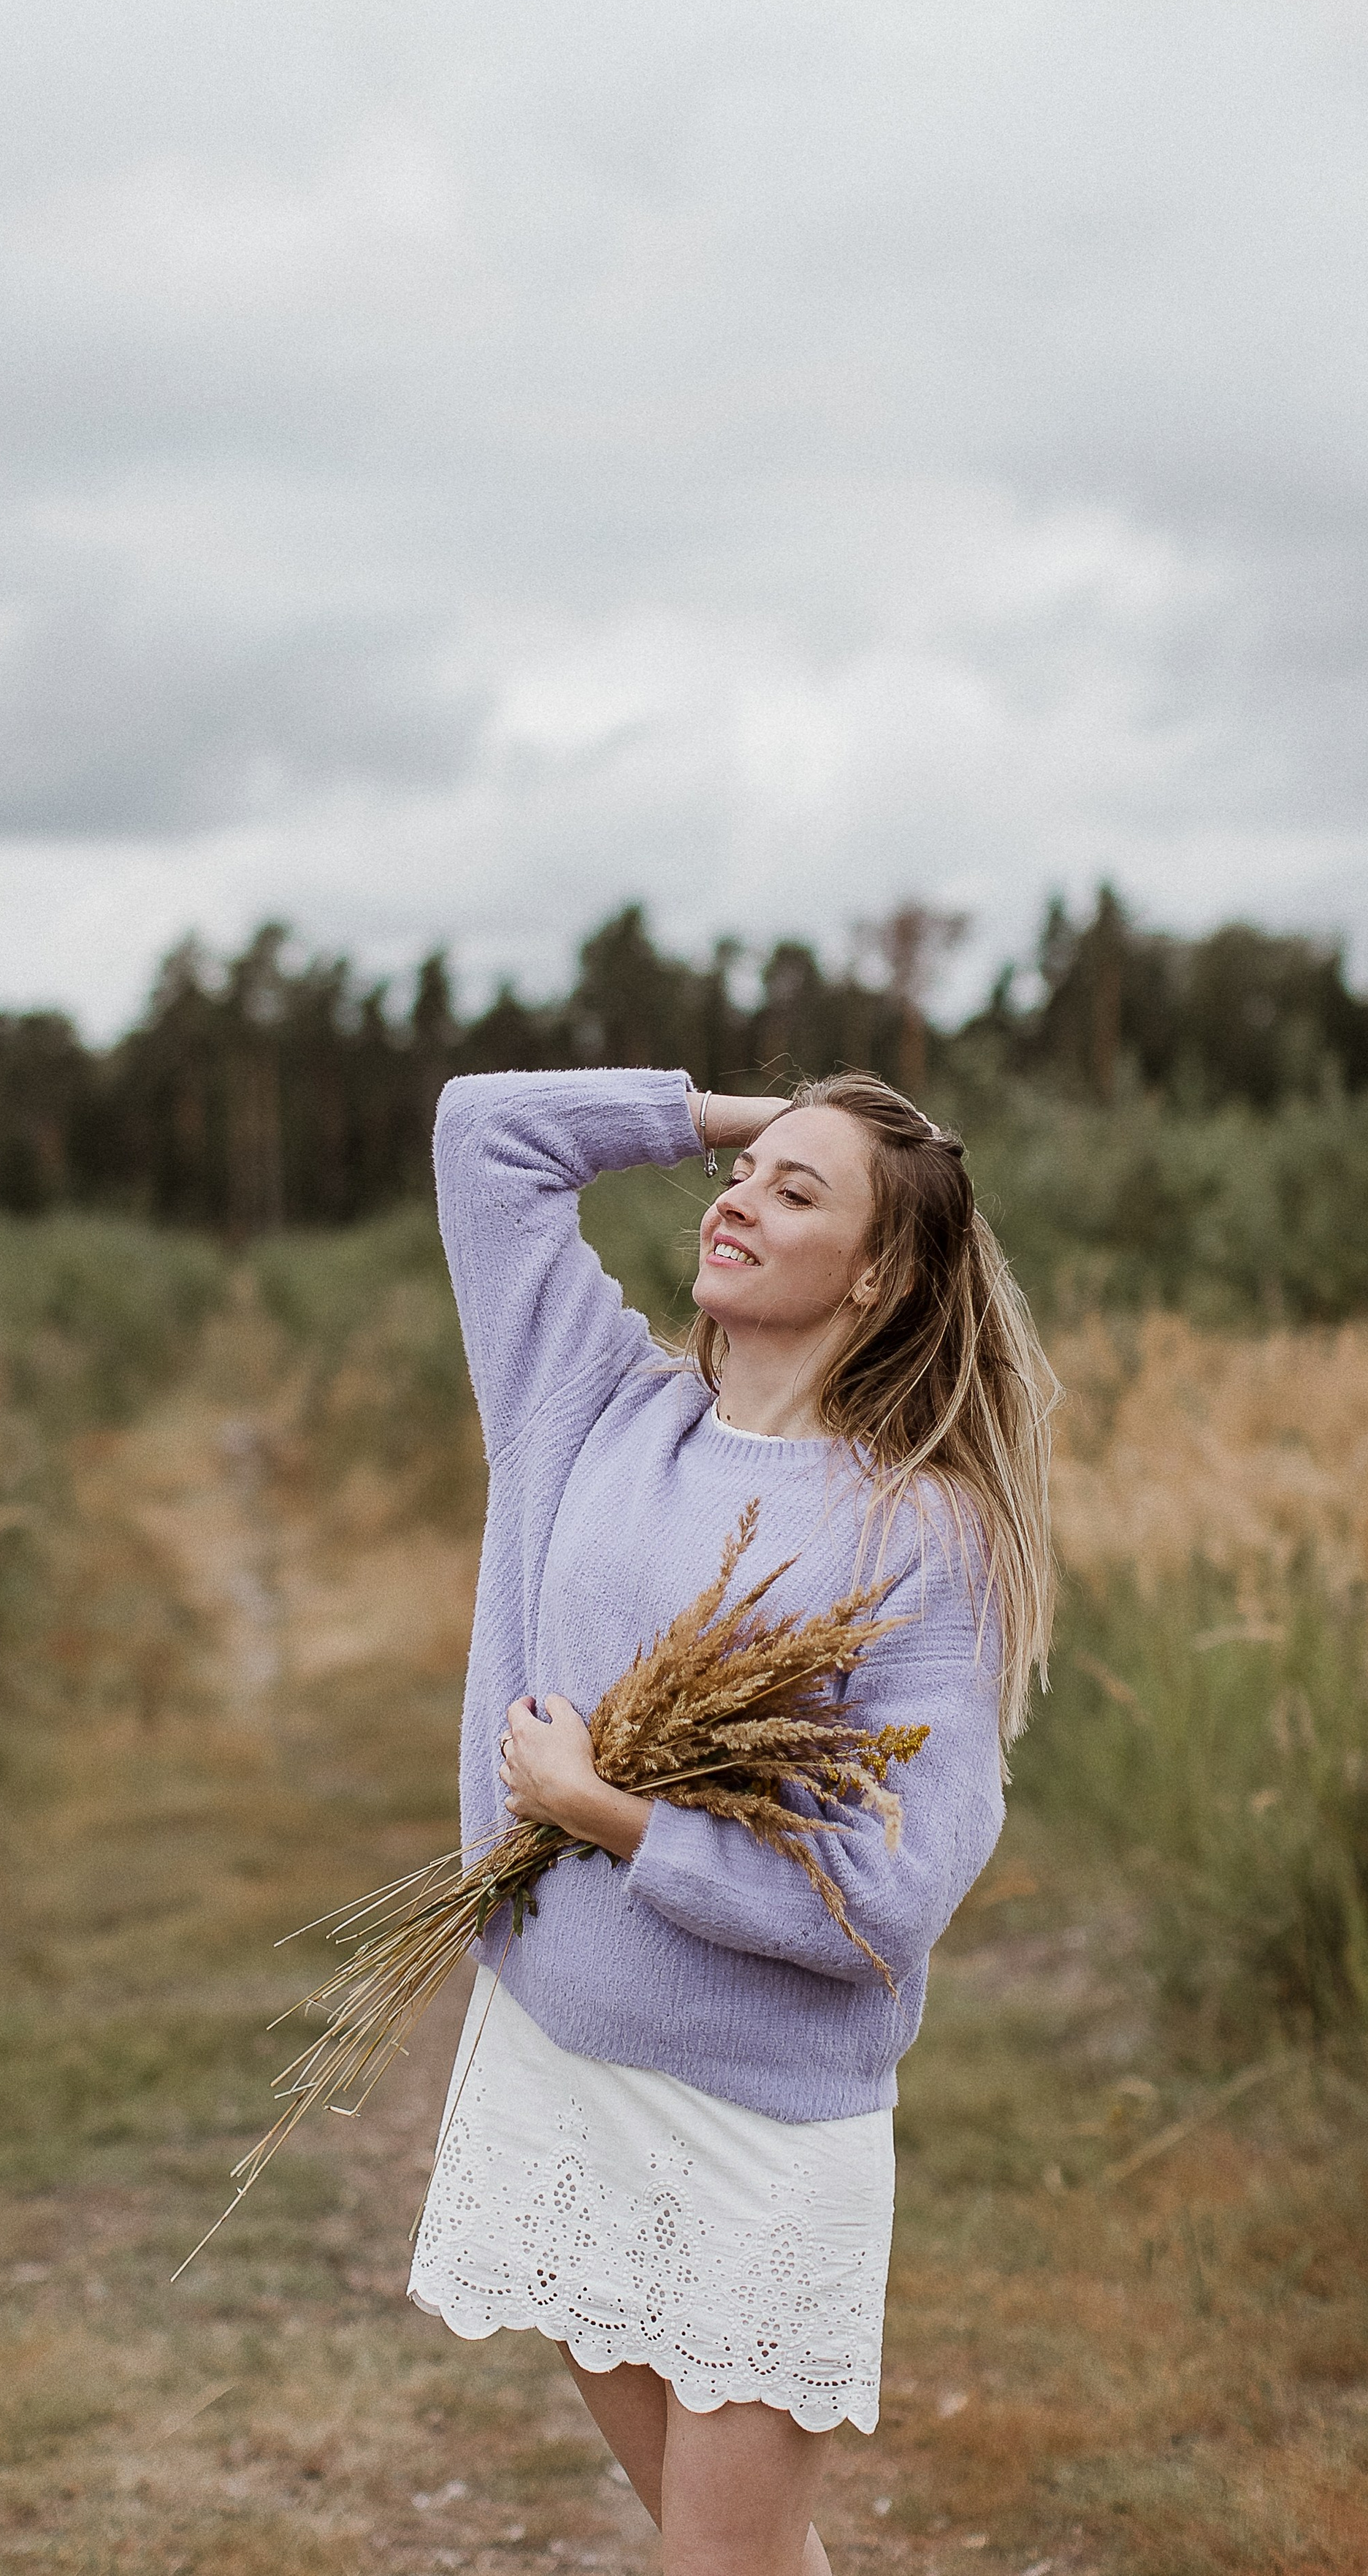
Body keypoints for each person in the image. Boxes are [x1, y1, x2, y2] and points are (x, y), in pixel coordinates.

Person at [408, 1066, 1057, 2576]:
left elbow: (882, 1897)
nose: (736, 1200)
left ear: (882, 1273)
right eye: (737, 1175)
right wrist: (768, 1112)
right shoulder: (591, 1405)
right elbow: (483, 1133)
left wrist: (610, 1816)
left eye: (793, 1191)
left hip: (756, 2130)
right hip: (560, 2072)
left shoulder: (919, 1526)